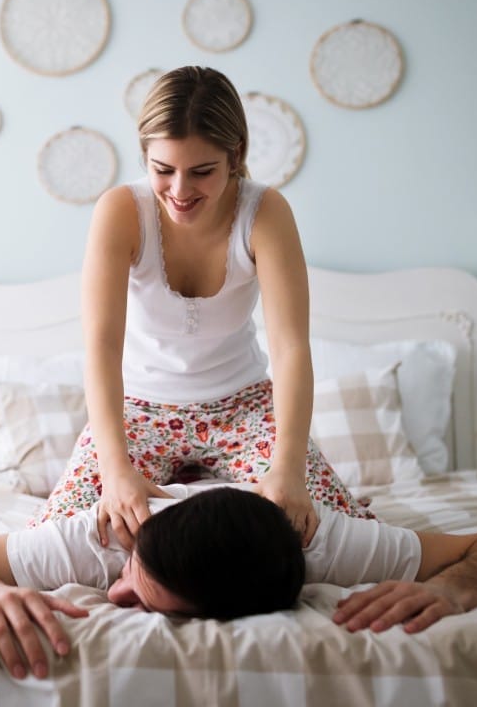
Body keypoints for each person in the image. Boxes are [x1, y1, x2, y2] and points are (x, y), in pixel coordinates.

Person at [34, 65, 361, 548]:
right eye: (163, 170)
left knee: (332, 534)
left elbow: (291, 348)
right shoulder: (120, 211)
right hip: (139, 409)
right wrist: (116, 469)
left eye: (202, 171)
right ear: (144, 157)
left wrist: (288, 468)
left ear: (236, 156)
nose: (181, 191)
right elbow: (102, 348)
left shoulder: (266, 212)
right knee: (61, 537)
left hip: (244, 405)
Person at [0, 484, 477, 681]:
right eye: (132, 584)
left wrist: (455, 591)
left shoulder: (324, 542)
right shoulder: (104, 536)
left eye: (142, 606)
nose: (114, 597)